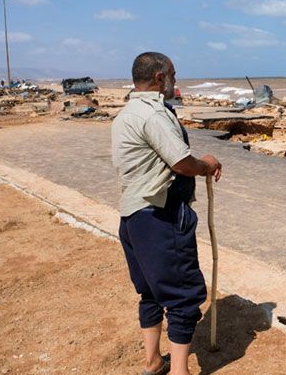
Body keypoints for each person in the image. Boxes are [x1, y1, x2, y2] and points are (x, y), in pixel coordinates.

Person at [111, 52, 222, 375]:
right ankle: (179, 371)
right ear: (159, 78)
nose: (176, 80)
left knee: (150, 291)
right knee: (183, 295)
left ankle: (153, 360)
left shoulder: (126, 113)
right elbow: (181, 163)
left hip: (133, 217)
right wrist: (207, 165)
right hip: (161, 217)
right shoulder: (153, 115)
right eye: (173, 74)